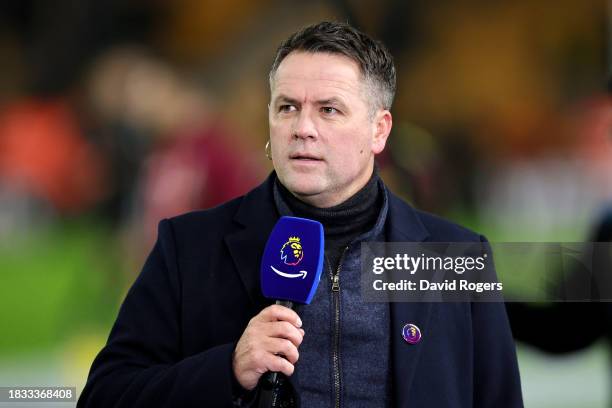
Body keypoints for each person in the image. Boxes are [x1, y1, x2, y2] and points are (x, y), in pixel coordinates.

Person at [78, 21, 523, 407]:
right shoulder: (189, 247)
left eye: (329, 110)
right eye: (287, 107)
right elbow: (105, 395)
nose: (303, 128)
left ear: (378, 130)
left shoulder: (453, 258)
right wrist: (228, 368)